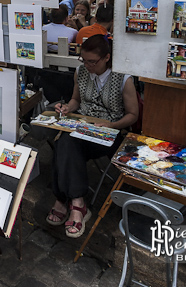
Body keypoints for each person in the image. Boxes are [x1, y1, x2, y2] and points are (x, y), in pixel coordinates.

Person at [48, 35, 138, 238]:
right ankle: (77, 203)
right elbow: (75, 100)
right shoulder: (80, 72)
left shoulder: (123, 78)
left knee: (66, 143)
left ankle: (63, 200)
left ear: (107, 58)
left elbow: (133, 115)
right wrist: (66, 108)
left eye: (92, 62)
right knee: (65, 141)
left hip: (109, 133)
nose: (87, 65)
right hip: (83, 127)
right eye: (84, 60)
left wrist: (111, 124)